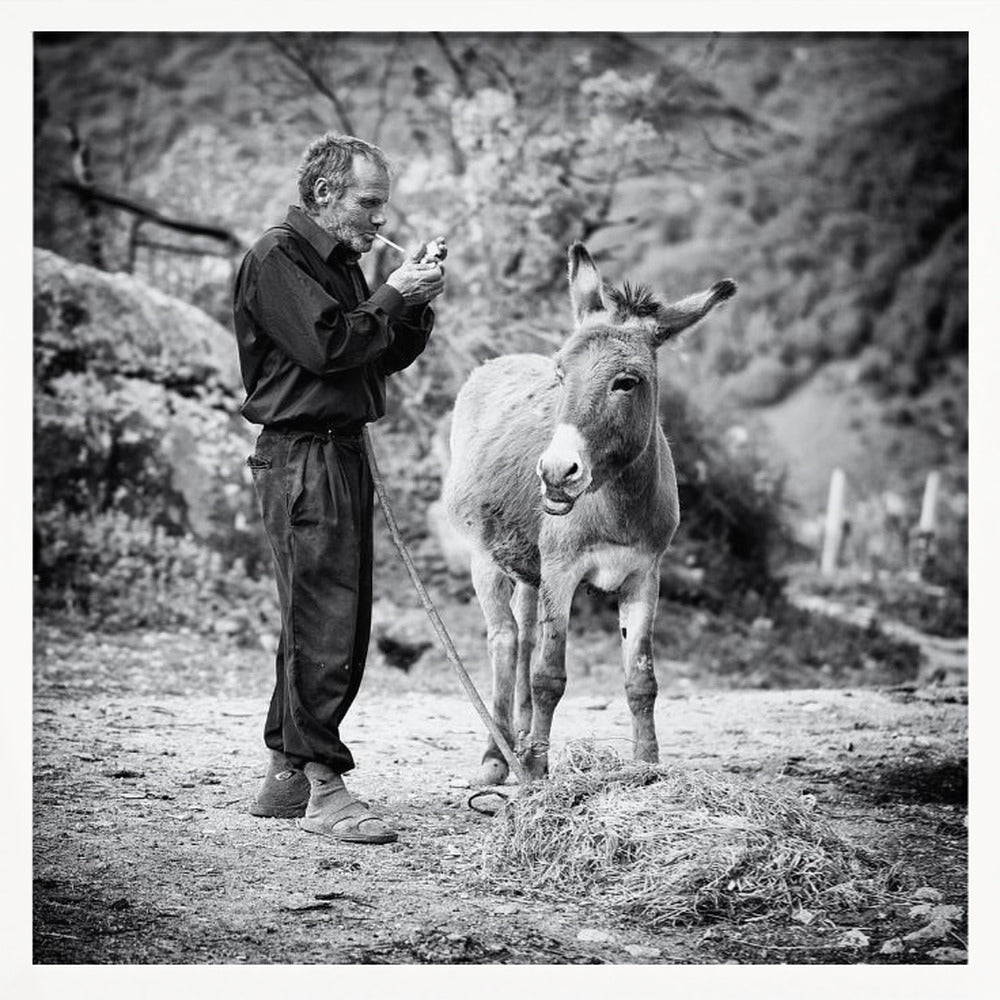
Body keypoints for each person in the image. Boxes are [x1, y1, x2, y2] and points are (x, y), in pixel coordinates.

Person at [232, 133, 446, 845]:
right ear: (325, 194)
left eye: (382, 204)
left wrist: (413, 302)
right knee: (325, 619)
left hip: (338, 454)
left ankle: (287, 779)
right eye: (369, 202)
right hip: (301, 457)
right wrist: (391, 293)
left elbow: (378, 353)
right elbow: (329, 347)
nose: (380, 220)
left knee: (324, 618)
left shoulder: (343, 264)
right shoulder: (277, 259)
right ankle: (327, 790)